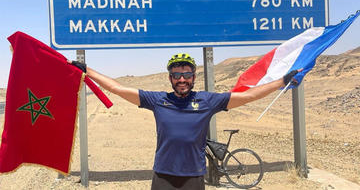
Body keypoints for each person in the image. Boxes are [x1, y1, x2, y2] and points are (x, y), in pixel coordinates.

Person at [71, 53, 299, 190]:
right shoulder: (158, 100)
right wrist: (87, 70)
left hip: (193, 176)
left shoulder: (208, 100)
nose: (182, 79)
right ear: (170, 78)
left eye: (187, 75)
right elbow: (117, 88)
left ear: (194, 78)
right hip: (163, 175)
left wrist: (282, 81)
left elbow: (249, 96)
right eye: (177, 75)